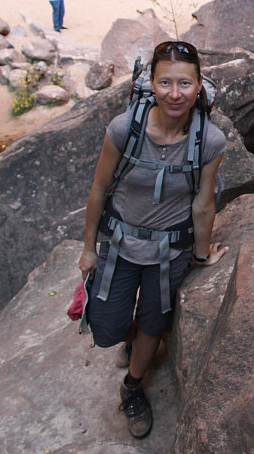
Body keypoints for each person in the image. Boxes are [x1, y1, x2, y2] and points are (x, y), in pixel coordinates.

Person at [79, 40, 228, 439]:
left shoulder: (209, 141)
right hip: (120, 246)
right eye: (165, 82)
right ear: (152, 83)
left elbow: (203, 201)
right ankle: (132, 343)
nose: (174, 94)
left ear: (199, 86)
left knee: (153, 322)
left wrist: (200, 253)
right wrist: (88, 247)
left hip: (170, 251)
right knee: (107, 328)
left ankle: (133, 384)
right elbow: (98, 188)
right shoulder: (124, 128)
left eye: (184, 83)